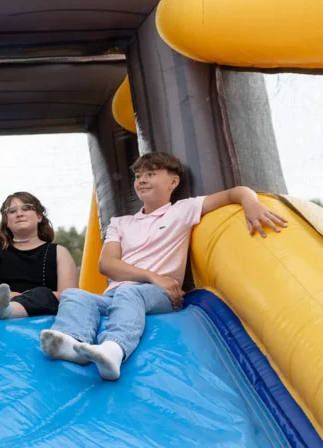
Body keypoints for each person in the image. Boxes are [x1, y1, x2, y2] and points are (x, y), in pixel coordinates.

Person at [40, 151, 287, 381]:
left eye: (151, 174)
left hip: (161, 295)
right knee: (74, 295)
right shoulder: (121, 223)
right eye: (138, 176)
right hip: (120, 294)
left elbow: (235, 192)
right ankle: (72, 343)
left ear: (173, 182)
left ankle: (114, 349)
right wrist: (152, 276)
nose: (142, 181)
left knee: (129, 292)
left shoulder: (183, 210)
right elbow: (107, 264)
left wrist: (251, 202)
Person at [0, 192, 78, 320]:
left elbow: (69, 296)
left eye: (26, 208)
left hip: (39, 306)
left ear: (39, 217)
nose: (19, 214)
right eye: (12, 211)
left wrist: (18, 297)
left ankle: (7, 311)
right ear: (7, 222)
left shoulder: (59, 252)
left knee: (42, 293)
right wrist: (5, 297)